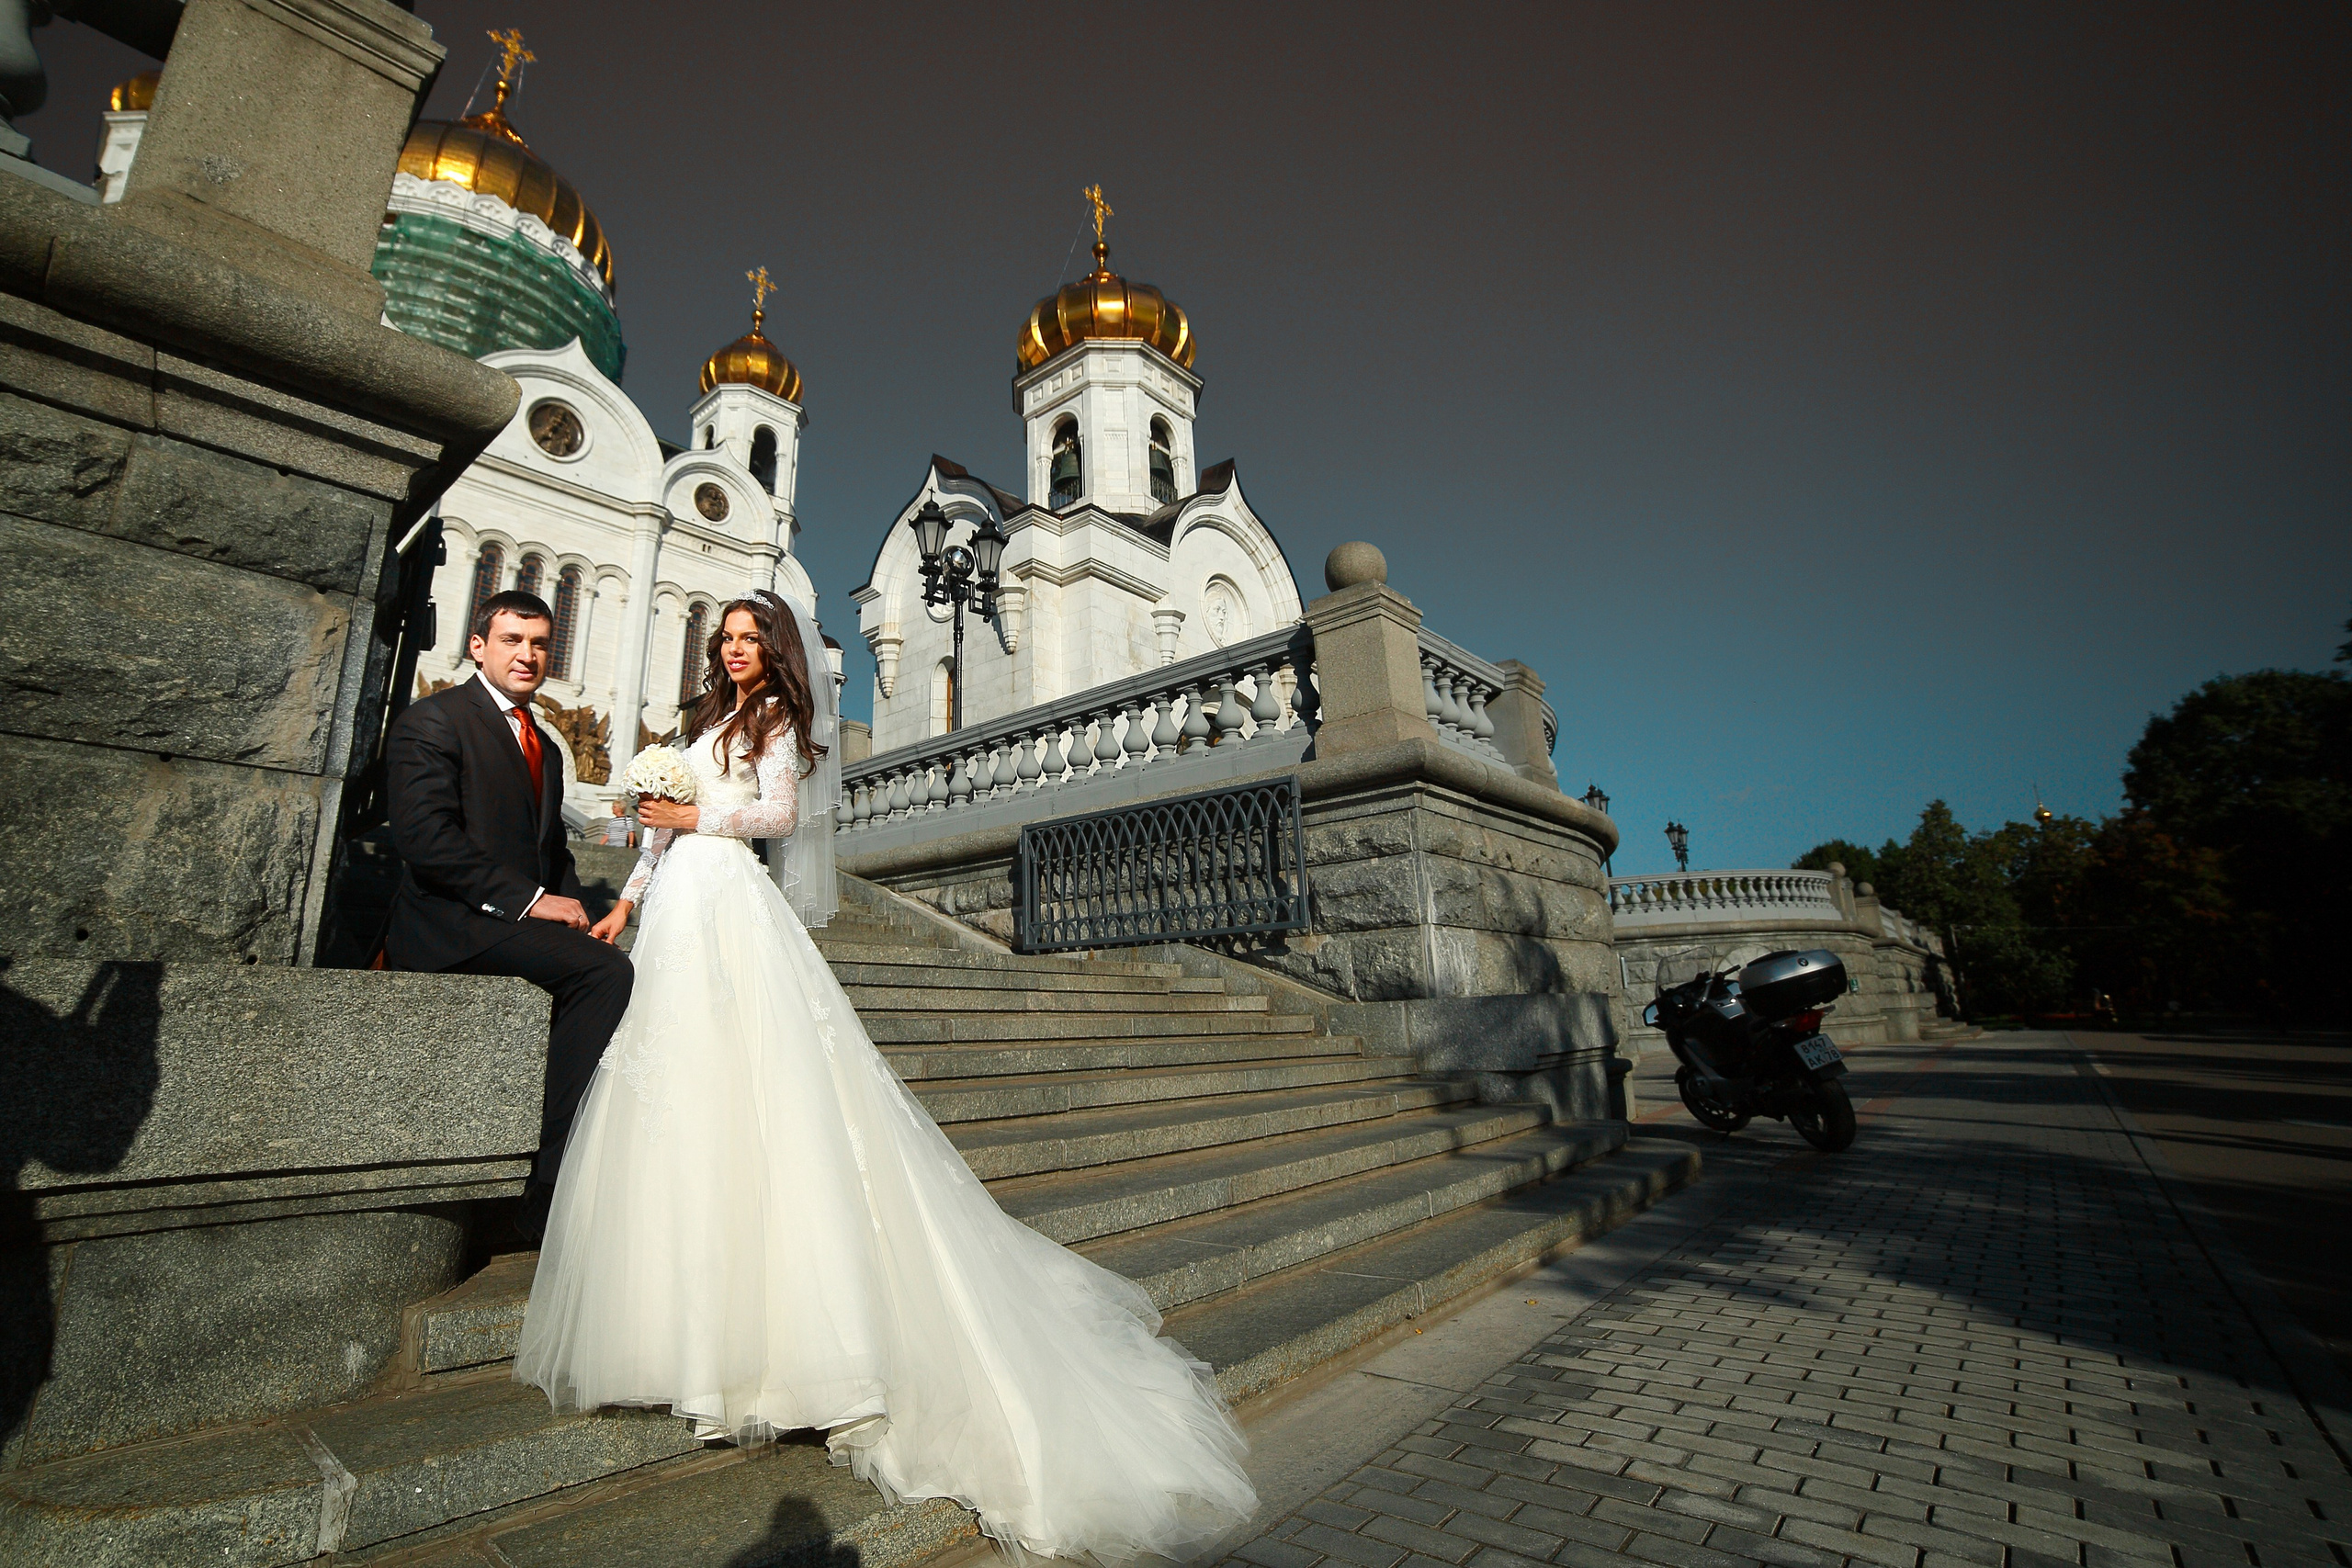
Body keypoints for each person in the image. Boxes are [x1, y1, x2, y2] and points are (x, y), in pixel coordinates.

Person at [514, 593, 1256, 1562]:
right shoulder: (698, 723)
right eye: (727, 639)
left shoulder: (778, 719)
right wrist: (626, 904)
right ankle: (678, 1342)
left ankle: (788, 1350)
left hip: (734, 903)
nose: (737, 651)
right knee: (672, 1106)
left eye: (751, 639)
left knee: (755, 1095)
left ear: (771, 651)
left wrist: (699, 812)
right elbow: (655, 835)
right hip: (678, 910)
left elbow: (775, 812)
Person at [382, 591, 632, 1244]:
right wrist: (527, 901)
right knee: (604, 976)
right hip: (449, 924)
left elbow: (550, 854)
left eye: (541, 643)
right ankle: (545, 1183)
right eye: (512, 640)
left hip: (508, 923)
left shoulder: (545, 747)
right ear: (478, 646)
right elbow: (425, 841)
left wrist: (580, 908)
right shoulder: (432, 721)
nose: (528, 654)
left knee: (610, 959)